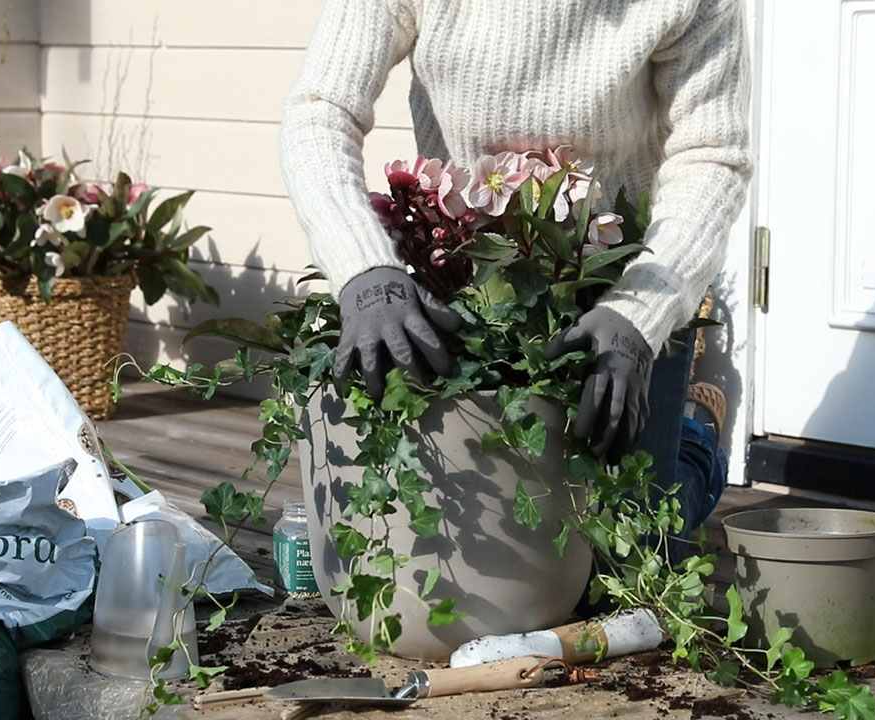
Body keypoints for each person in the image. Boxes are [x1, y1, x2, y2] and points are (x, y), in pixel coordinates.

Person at [279, 0, 749, 552]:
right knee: (485, 543)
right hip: (471, 288)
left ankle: (695, 442)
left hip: (625, 289)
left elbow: (713, 154)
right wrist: (364, 271)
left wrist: (640, 317)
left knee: (628, 551)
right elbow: (321, 111)